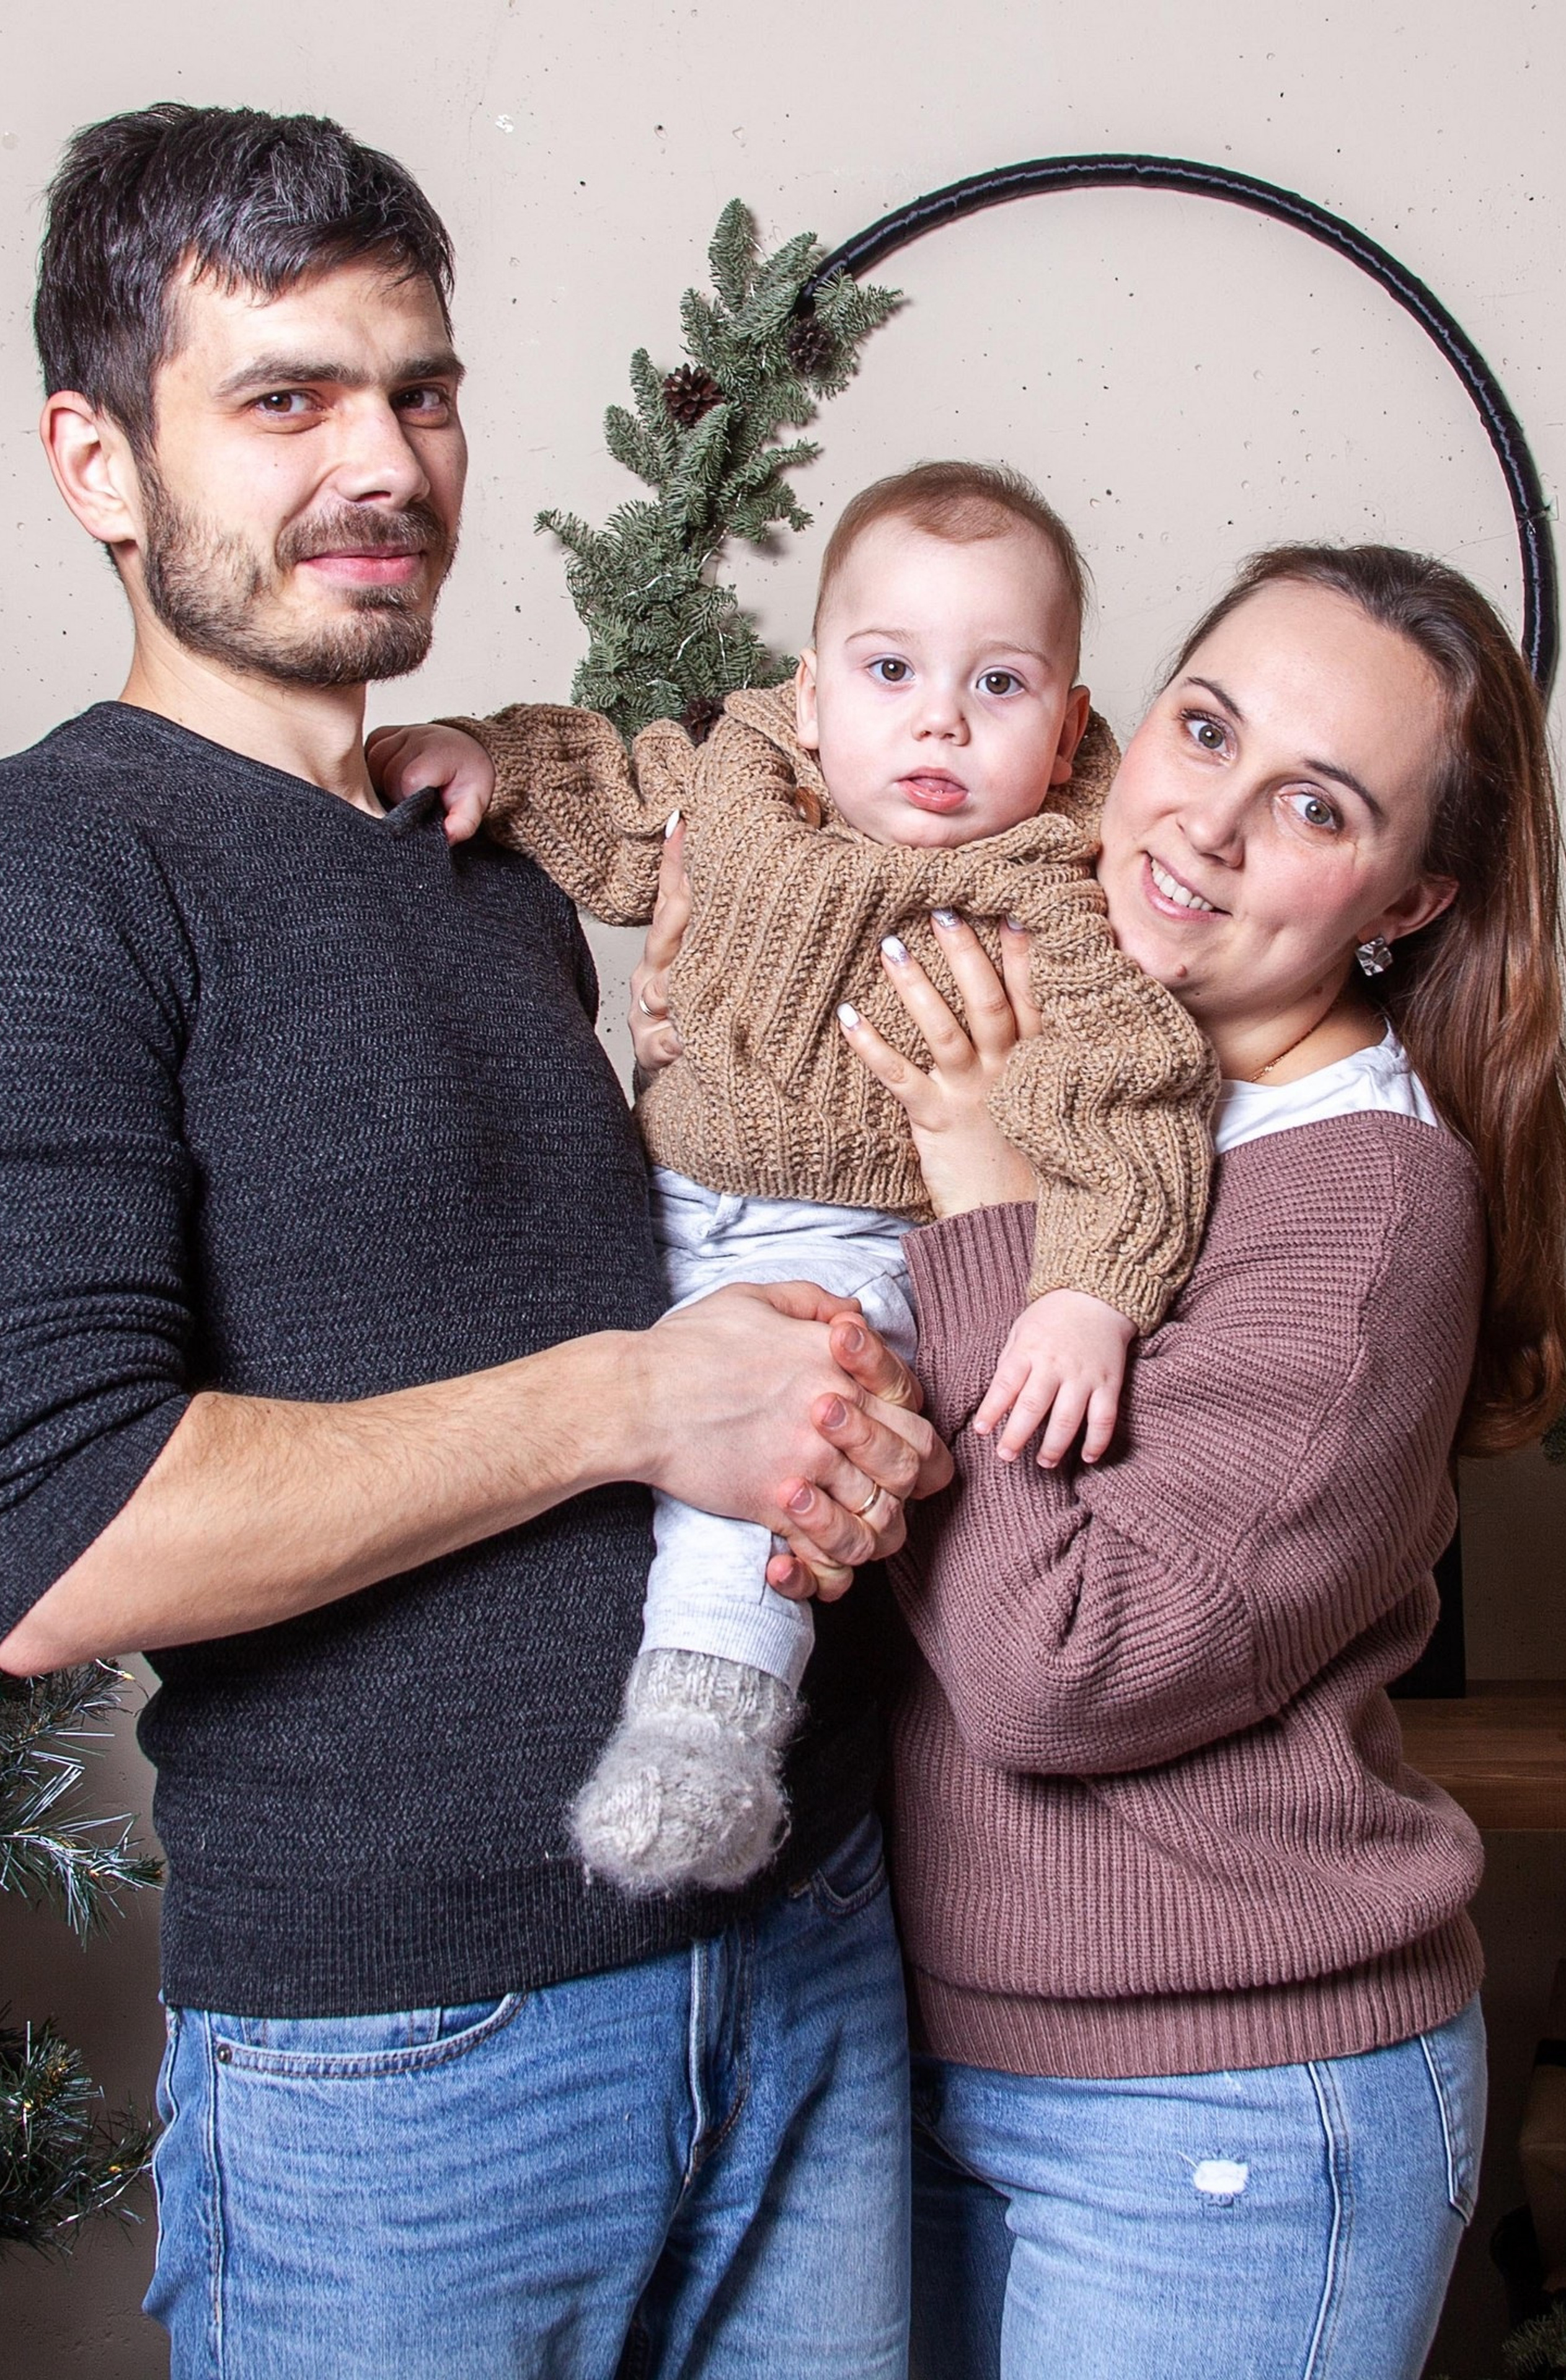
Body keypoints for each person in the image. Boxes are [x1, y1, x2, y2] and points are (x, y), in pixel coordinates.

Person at [0, 104, 950, 2379]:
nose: (386, 459)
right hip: (417, 2056)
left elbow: (664, 1328)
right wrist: (641, 1401)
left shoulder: (491, 853)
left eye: (417, 388)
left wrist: (839, 1433)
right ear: (97, 464)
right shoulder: (63, 873)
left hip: (801, 1943)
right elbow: (55, 1540)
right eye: (286, 397)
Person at [824, 542, 1566, 2378]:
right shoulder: (1074, 1047)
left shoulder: (1369, 1203)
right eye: (1205, 727)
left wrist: (986, 1199)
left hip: (1225, 2107)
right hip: (917, 2047)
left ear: (1409, 897)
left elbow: (1054, 1667)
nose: (1209, 829)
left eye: (1313, 805)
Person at [370, 462, 1218, 1895]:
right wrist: (482, 756)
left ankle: (703, 1730)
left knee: (778, 1447)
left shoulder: (1055, 888)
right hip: (658, 1187)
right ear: (813, 693)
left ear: (1070, 722)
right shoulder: (747, 777)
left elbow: (1135, 1098)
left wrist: (1086, 1290)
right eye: (892, 670)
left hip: (856, 1239)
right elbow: (615, 792)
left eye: (1001, 685)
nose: (940, 718)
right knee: (526, 1385)